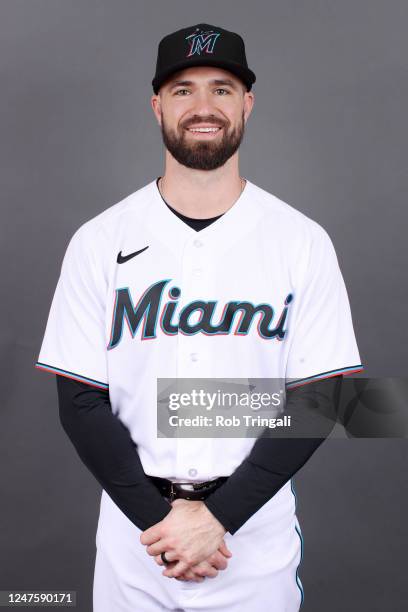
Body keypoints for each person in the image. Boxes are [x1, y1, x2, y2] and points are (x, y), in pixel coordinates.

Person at [35, 22, 364, 611]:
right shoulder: (98, 240)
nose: (204, 106)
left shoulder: (301, 241)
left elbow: (320, 399)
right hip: (134, 536)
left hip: (252, 536)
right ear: (157, 104)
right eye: (184, 89)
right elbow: (80, 403)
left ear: (248, 103)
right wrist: (164, 527)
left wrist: (218, 520)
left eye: (222, 87)